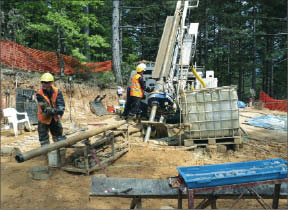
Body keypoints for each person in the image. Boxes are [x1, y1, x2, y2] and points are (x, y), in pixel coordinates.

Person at [36, 72, 65, 147]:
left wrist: (60, 113)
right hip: (43, 118)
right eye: (42, 82)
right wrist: (57, 112)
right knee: (44, 139)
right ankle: (47, 155)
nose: (43, 84)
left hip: (54, 118)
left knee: (58, 136)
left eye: (46, 82)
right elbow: (46, 109)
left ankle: (59, 152)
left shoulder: (57, 91)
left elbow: (61, 104)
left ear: (51, 83)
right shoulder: (39, 94)